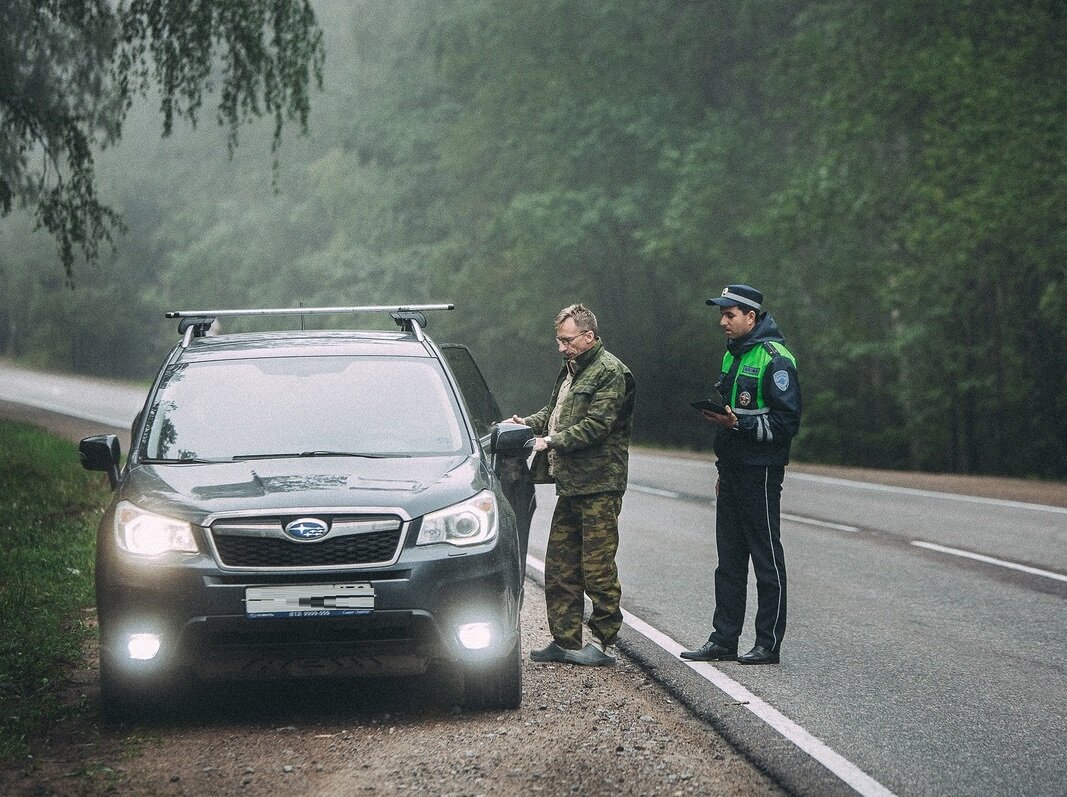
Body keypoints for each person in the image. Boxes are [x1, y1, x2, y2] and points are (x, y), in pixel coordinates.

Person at [510, 303, 636, 667]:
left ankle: (602, 642)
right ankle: (565, 642)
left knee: (597, 568)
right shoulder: (570, 371)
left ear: (589, 336)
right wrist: (526, 425)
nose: (562, 347)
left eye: (567, 341)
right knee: (560, 566)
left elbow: (597, 426)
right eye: (558, 341)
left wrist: (550, 442)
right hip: (571, 484)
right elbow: (552, 415)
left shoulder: (611, 372)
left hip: (599, 484)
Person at [681, 284, 801, 665]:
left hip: (761, 473)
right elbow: (732, 416)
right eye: (722, 314)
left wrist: (739, 426)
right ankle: (724, 639)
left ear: (751, 316)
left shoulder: (775, 359)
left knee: (766, 559)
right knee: (728, 561)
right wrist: (723, 457)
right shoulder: (732, 356)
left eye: (730, 314)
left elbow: (786, 424)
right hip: (732, 471)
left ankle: (767, 643)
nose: (723, 321)